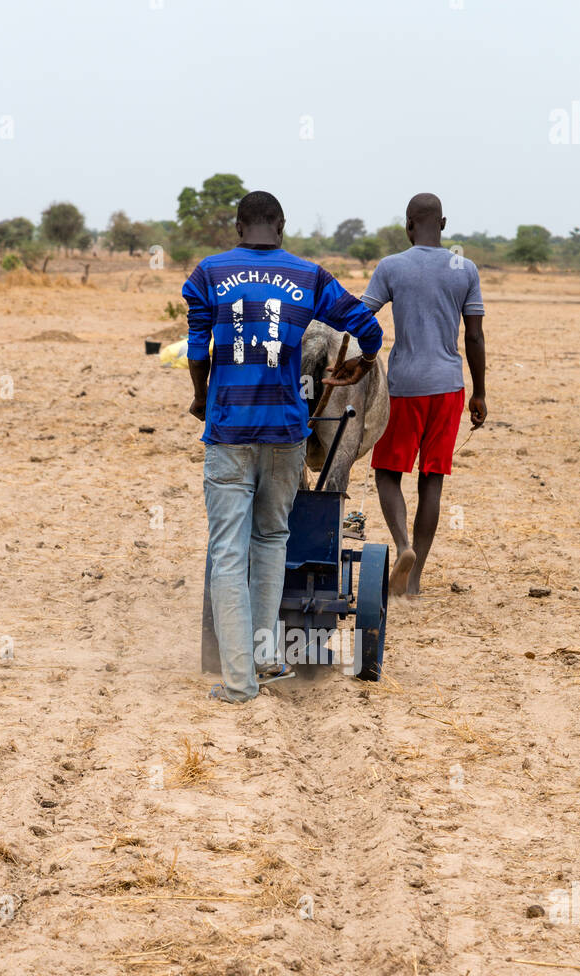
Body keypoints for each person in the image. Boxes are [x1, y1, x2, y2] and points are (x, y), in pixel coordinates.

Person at [183, 190, 383, 702]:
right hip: (286, 433)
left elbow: (196, 348)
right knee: (273, 540)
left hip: (230, 431)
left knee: (228, 554)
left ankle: (238, 683)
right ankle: (267, 655)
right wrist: (362, 362)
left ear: (237, 226)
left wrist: (201, 398)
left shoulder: (209, 273)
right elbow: (366, 325)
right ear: (281, 225)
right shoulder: (308, 275)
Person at [362, 193, 487, 596]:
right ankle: (413, 582)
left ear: (408, 226)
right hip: (449, 387)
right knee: (432, 480)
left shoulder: (392, 266)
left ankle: (402, 546)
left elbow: (361, 317)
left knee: (387, 472)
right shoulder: (464, 268)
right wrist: (479, 393)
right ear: (444, 224)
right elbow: (474, 335)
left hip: (404, 387)